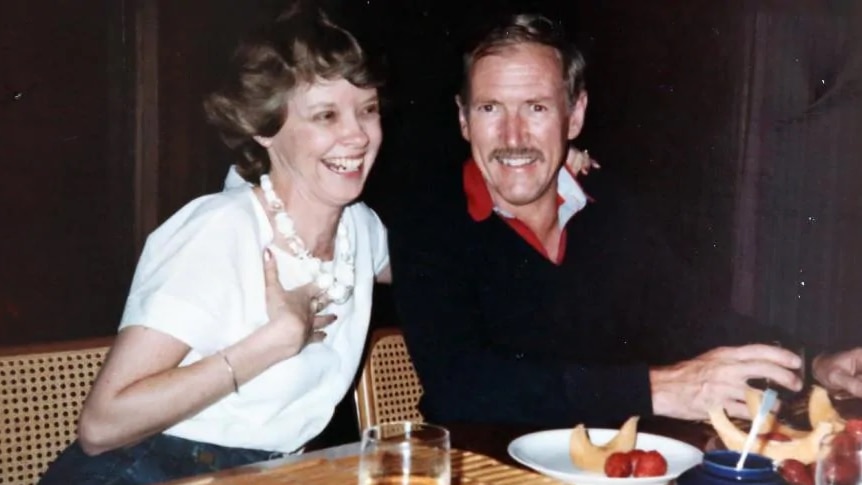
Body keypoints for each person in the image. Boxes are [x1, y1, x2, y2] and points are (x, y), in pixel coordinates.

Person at [386, 12, 808, 428]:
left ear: (575, 114)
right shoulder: (429, 222)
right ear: (464, 119)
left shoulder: (612, 211)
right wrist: (655, 389)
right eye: (490, 108)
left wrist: (815, 362)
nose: (513, 137)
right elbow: (460, 388)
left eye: (536, 108)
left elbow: (694, 320)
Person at [39, 5, 389, 484]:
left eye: (367, 110)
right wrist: (274, 343)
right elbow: (102, 426)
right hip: (149, 469)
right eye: (325, 115)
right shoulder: (219, 231)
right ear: (265, 128)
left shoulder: (361, 230)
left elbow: (437, 262)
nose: (357, 134)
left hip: (272, 472)